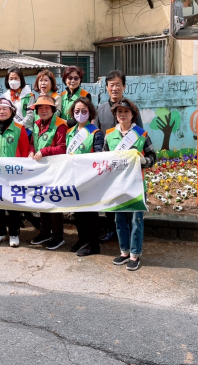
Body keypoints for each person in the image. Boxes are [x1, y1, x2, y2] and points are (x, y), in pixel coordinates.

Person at [103, 98, 156, 272]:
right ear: (115, 115)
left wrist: (143, 161)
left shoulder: (141, 134)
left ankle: (135, 255)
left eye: (126, 111)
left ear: (133, 115)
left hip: (136, 185)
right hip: (117, 185)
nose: (122, 114)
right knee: (120, 220)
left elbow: (153, 157)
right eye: (119, 111)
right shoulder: (109, 135)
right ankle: (124, 252)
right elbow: (104, 159)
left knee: (136, 220)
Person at [95, 70, 143, 243]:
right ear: (106, 87)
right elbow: (97, 134)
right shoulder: (100, 109)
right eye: (111, 85)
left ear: (124, 87)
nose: (114, 88)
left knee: (127, 197)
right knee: (110, 197)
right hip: (109, 164)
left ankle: (128, 231)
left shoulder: (132, 108)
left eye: (118, 85)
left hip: (128, 166)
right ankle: (111, 229)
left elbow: (140, 134)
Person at [0, 97, 32, 247]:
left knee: (13, 205)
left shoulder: (19, 129)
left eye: (5, 109)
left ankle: (14, 233)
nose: (2, 111)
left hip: (14, 174)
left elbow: (25, 150)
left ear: (12, 112)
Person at [28, 95, 68, 250]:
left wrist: (44, 151)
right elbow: (33, 143)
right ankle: (44, 233)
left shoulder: (60, 125)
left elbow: (62, 148)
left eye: (46, 107)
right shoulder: (37, 124)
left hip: (55, 169)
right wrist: (32, 151)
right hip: (41, 169)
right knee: (42, 201)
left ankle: (58, 236)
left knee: (53, 202)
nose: (43, 110)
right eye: (40, 108)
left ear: (52, 109)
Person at [65, 96, 104, 256]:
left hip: (89, 179)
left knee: (90, 213)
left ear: (90, 112)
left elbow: (99, 155)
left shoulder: (95, 132)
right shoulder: (70, 132)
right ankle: (82, 240)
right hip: (74, 177)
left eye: (83, 111)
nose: (80, 114)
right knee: (78, 212)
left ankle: (93, 245)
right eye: (77, 111)